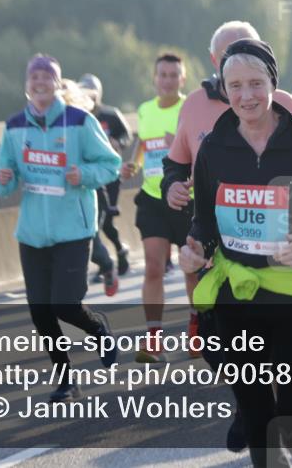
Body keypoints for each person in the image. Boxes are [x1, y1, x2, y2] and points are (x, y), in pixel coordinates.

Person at [180, 39, 292, 468]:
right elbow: (205, 222)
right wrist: (194, 250)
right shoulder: (215, 148)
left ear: (273, 85)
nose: (246, 95)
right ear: (224, 88)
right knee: (257, 413)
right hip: (240, 298)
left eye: (256, 83)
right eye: (235, 85)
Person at [159, 20, 292, 453]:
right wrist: (173, 186)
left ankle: (261, 413)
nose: (242, 87)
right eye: (227, 60)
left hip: (274, 242)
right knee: (217, 343)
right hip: (216, 238)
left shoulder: (284, 103)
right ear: (214, 63)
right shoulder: (194, 106)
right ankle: (251, 405)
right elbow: (176, 163)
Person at [0, 54, 122, 401]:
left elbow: (111, 164)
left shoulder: (79, 121)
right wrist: (3, 179)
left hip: (73, 231)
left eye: (47, 76)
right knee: (40, 312)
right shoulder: (15, 126)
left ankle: (96, 328)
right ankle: (66, 380)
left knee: (63, 304)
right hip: (32, 233)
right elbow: (0, 178)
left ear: (57, 84)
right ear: (26, 85)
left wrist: (85, 175)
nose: (40, 82)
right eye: (34, 77)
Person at [121, 53, 196, 362]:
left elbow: (202, 148)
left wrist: (178, 141)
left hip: (184, 198)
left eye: (173, 75)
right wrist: (133, 165)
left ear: (182, 79)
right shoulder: (145, 109)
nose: (167, 80)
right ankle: (154, 340)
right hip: (152, 198)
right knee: (153, 266)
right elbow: (143, 144)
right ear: (154, 78)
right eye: (162, 74)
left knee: (191, 268)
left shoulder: (190, 109)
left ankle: (197, 329)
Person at [59, 79, 119, 297]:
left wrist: (83, 173)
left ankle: (107, 264)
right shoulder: (38, 130)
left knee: (91, 243)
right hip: (52, 207)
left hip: (83, 198)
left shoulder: (84, 125)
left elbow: (108, 163)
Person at [78, 74, 132, 278]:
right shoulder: (79, 117)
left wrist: (118, 142)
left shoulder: (110, 114)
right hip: (89, 177)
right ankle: (106, 259)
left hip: (110, 175)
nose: (89, 97)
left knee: (105, 221)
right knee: (95, 222)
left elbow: (126, 135)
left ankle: (117, 252)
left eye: (92, 92)